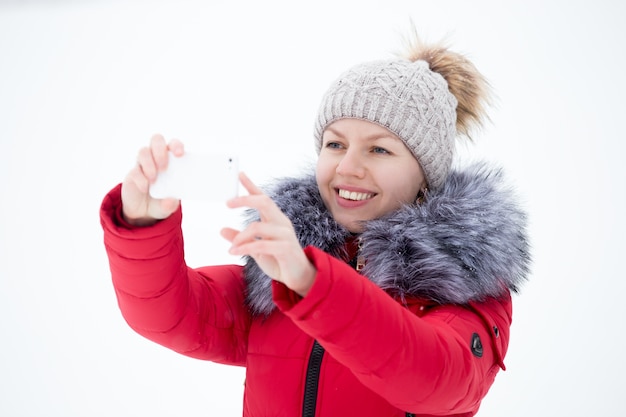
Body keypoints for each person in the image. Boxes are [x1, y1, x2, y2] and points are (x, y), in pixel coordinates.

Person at [100, 32, 531, 417]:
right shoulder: (277, 271)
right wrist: (144, 221)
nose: (347, 167)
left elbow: (438, 381)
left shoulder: (467, 280)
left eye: (379, 150)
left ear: (426, 175)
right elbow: (167, 314)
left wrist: (311, 284)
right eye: (335, 144)